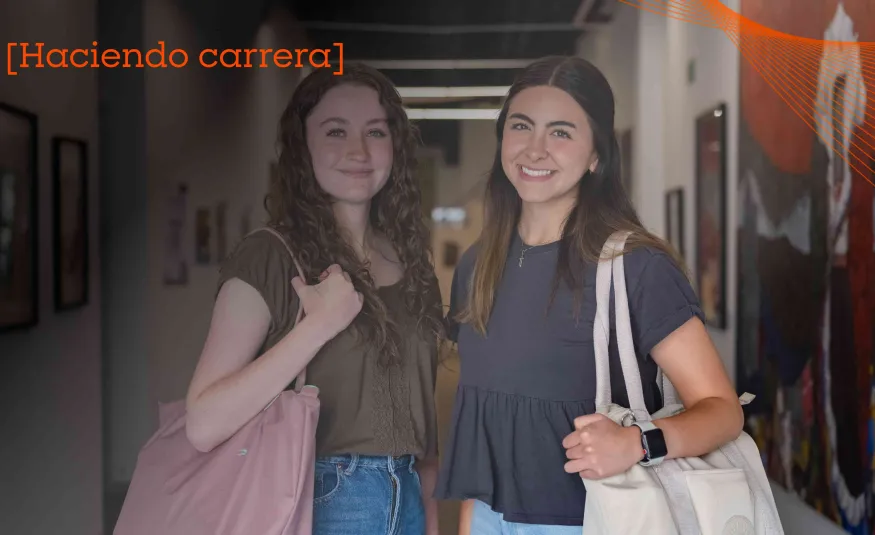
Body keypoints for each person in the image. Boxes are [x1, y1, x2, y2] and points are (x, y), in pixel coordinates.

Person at [434, 55, 745, 534]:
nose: (535, 149)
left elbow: (723, 411)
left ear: (596, 155)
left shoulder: (636, 267)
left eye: (560, 132)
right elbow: (486, 416)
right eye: (521, 126)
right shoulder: (478, 265)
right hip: (490, 519)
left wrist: (638, 443)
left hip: (595, 519)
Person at [184, 63, 445, 535]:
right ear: (303, 146)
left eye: (375, 131)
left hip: (407, 494)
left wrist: (428, 515)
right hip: (318, 498)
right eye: (335, 131)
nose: (358, 150)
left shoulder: (412, 261)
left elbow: (422, 426)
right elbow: (204, 423)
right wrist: (318, 327)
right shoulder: (269, 256)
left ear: (395, 145)